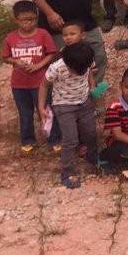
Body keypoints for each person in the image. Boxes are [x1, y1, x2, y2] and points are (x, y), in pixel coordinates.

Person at [38, 42, 98, 189]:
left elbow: (89, 72)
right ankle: (67, 171)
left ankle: (93, 157)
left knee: (91, 132)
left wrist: (92, 85)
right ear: (67, 63)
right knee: (71, 139)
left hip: (84, 102)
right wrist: (41, 108)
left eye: (81, 70)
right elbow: (44, 85)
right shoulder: (56, 68)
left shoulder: (86, 61)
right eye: (75, 70)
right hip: (63, 105)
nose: (78, 73)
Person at [1, 0, 57, 152]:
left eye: (31, 19)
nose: (27, 23)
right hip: (19, 84)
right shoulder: (10, 38)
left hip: (40, 83)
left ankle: (54, 138)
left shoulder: (43, 34)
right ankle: (27, 140)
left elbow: (51, 53)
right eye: (23, 20)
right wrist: (15, 62)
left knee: (46, 111)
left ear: (36, 18)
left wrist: (39, 65)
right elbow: (5, 57)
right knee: (25, 113)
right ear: (16, 20)